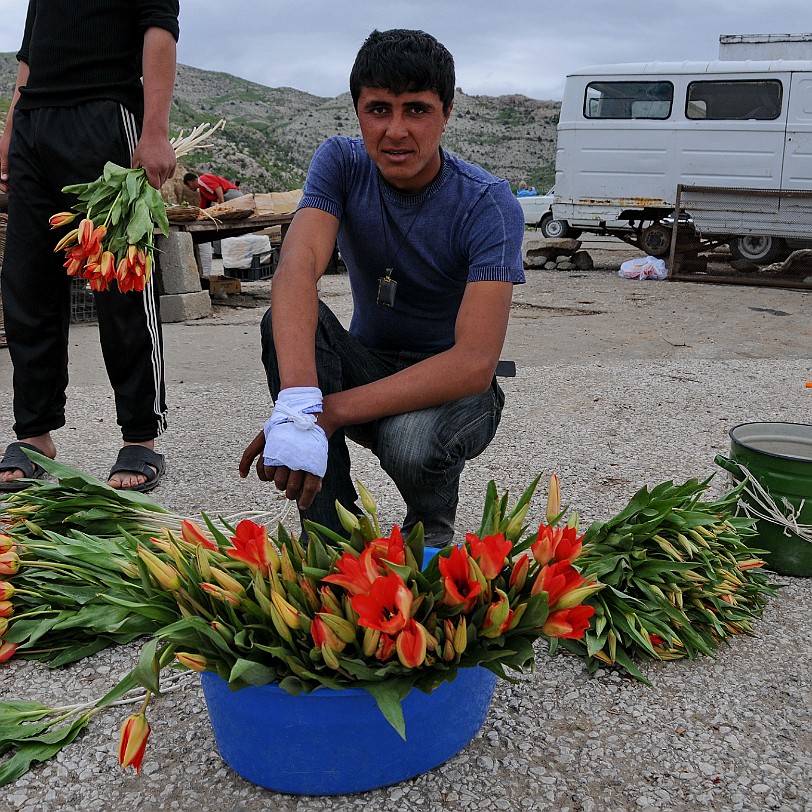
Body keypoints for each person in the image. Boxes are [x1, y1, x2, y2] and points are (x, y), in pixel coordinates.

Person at [239, 29, 525, 546]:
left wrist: (327, 413)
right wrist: (299, 407)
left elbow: (474, 362)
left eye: (416, 109)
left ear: (447, 112)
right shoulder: (342, 164)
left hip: (454, 389)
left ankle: (430, 520)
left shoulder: (489, 204)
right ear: (357, 111)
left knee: (409, 440)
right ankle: (330, 539)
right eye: (378, 110)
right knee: (284, 321)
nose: (395, 131)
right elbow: (297, 268)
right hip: (369, 362)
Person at [0, 0, 179, 493]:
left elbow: (160, 29)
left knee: (121, 284)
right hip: (36, 122)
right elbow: (29, 51)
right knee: (27, 285)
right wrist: (13, 122)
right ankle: (35, 435)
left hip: (104, 116)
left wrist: (155, 131)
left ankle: (141, 435)